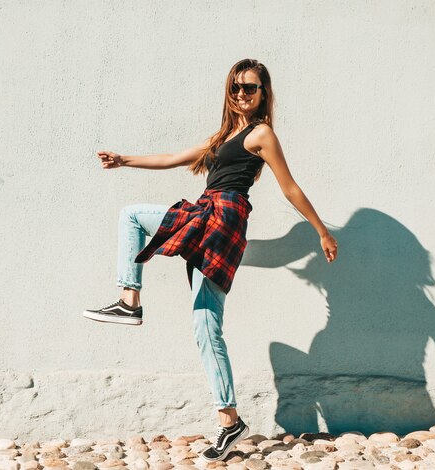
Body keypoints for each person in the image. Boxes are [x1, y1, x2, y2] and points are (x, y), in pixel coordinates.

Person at [82, 58, 338, 462]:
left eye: (249, 88)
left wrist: (320, 230)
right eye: (235, 87)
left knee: (132, 215)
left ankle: (130, 302)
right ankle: (229, 421)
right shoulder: (225, 135)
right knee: (205, 325)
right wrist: (125, 159)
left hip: (223, 215)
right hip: (210, 214)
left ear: (263, 93)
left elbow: (289, 188)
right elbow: (174, 157)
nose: (241, 94)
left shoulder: (262, 134)